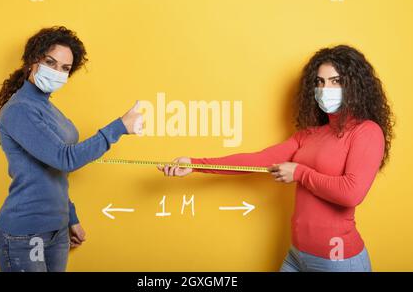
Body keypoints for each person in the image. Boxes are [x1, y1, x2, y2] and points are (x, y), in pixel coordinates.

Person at [158, 45, 394, 272]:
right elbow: (258, 160)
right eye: (320, 82)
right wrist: (195, 164)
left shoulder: (366, 131)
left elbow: (351, 193)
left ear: (355, 86)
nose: (326, 89)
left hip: (338, 261)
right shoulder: (309, 135)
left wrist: (299, 173)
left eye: (336, 81)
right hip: (298, 255)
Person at [0, 26, 142, 272]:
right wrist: (119, 127)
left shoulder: (48, 107)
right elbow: (65, 159)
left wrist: (70, 217)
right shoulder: (20, 109)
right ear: (32, 61)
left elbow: (53, 172)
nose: (57, 72)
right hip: (23, 236)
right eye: (50, 62)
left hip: (57, 231)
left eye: (64, 68)